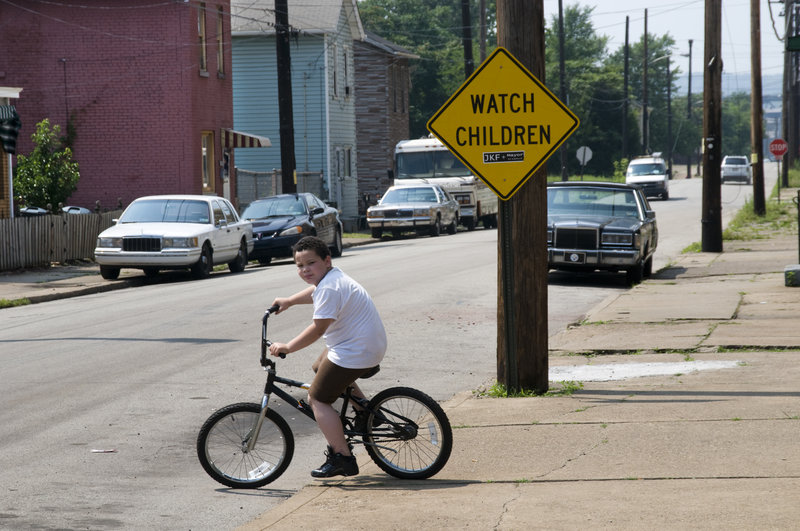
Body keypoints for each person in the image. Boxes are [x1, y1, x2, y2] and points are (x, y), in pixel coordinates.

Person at [268, 236, 387, 478]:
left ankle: (343, 457)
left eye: (310, 263)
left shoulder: (330, 288)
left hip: (355, 351)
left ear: (327, 260)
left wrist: (287, 347)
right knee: (319, 366)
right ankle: (366, 413)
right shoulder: (332, 278)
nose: (305, 270)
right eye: (300, 266)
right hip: (363, 345)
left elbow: (318, 329)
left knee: (317, 399)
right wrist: (289, 301)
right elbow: (315, 291)